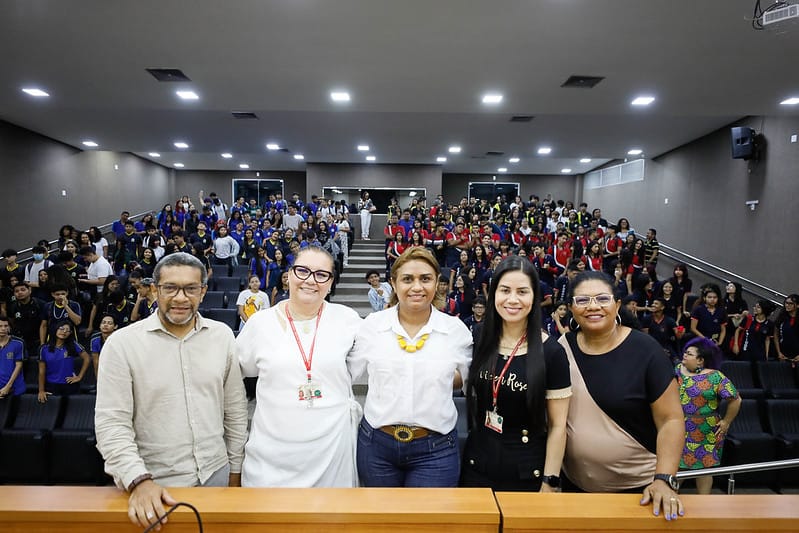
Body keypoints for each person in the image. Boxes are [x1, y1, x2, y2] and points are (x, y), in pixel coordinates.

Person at [95, 252, 248, 530]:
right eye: (170, 288)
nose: (180, 297)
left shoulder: (222, 336)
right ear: (154, 290)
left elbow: (235, 412)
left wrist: (235, 472)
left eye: (190, 288)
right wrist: (138, 480)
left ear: (203, 292)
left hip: (217, 475)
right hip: (154, 486)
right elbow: (111, 425)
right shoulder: (122, 344)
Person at [560, 271, 685, 520]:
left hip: (639, 492)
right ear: (571, 309)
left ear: (617, 305)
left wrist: (664, 478)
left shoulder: (645, 350)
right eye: (582, 300)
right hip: (575, 487)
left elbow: (671, 419)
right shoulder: (562, 346)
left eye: (602, 299)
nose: (593, 306)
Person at [237, 247, 362, 487]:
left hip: (332, 450)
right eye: (302, 271)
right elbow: (237, 373)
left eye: (321, 274)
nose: (310, 281)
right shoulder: (260, 323)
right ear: (290, 274)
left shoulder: (348, 320)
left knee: (331, 521)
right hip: (272, 453)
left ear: (330, 281)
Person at [350, 247, 472, 487]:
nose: (417, 287)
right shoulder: (372, 326)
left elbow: (470, 383)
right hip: (377, 445)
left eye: (425, 279)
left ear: (437, 283)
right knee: (382, 522)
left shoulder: (456, 331)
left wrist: (442, 378)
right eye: (407, 279)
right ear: (393, 284)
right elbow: (344, 376)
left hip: (435, 449)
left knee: (426, 523)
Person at [460, 256, 571, 491]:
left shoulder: (551, 352)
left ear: (534, 297)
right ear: (494, 294)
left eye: (522, 292)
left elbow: (558, 425)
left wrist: (550, 482)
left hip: (526, 469)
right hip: (477, 463)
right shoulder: (480, 336)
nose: (512, 300)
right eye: (505, 290)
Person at [677, 338, 741, 494]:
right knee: (677, 467)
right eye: (685, 352)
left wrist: (726, 422)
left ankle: (704, 504)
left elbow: (736, 399)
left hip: (707, 431)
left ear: (700, 361)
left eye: (689, 354)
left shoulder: (715, 377)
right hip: (679, 428)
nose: (684, 355)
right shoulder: (676, 370)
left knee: (705, 469)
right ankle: (669, 499)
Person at [38, 320, 90, 400]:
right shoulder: (44, 348)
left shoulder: (73, 344)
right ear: (55, 329)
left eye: (67, 330)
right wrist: (41, 390)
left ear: (70, 333)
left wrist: (79, 376)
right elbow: (41, 372)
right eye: (61, 328)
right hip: (52, 385)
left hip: (70, 384)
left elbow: (87, 358)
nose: (64, 331)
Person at [0, 316, 26, 398]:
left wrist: (8, 386)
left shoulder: (18, 343)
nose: (3, 329)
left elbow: (19, 366)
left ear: (10, 327)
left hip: (15, 387)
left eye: (6, 326)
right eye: (0, 326)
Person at [90, 314, 117, 379]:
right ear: (99, 326)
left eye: (109, 323)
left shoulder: (119, 338)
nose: (105, 325)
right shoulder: (95, 339)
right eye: (103, 322)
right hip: (103, 367)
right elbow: (96, 362)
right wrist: (98, 379)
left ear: (115, 326)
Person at [774, 294, 799, 362]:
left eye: (790, 303)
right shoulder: (781, 318)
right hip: (783, 354)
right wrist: (779, 352)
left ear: (797, 305)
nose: (787, 305)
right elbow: (776, 335)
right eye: (786, 303)